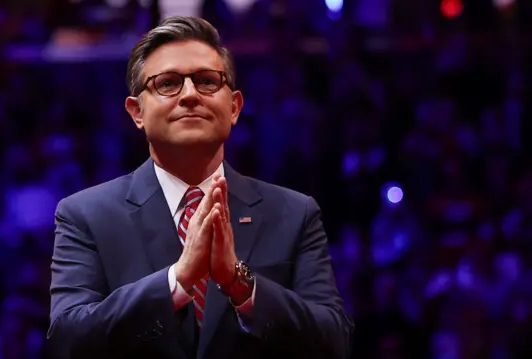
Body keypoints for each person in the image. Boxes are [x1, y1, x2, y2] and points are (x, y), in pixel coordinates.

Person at [47, 16, 354, 359]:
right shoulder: (85, 215)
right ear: (137, 112)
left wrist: (240, 284)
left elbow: (334, 342)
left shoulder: (296, 213)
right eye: (168, 84)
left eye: (207, 81)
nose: (190, 95)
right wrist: (176, 280)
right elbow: (67, 341)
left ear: (234, 107)